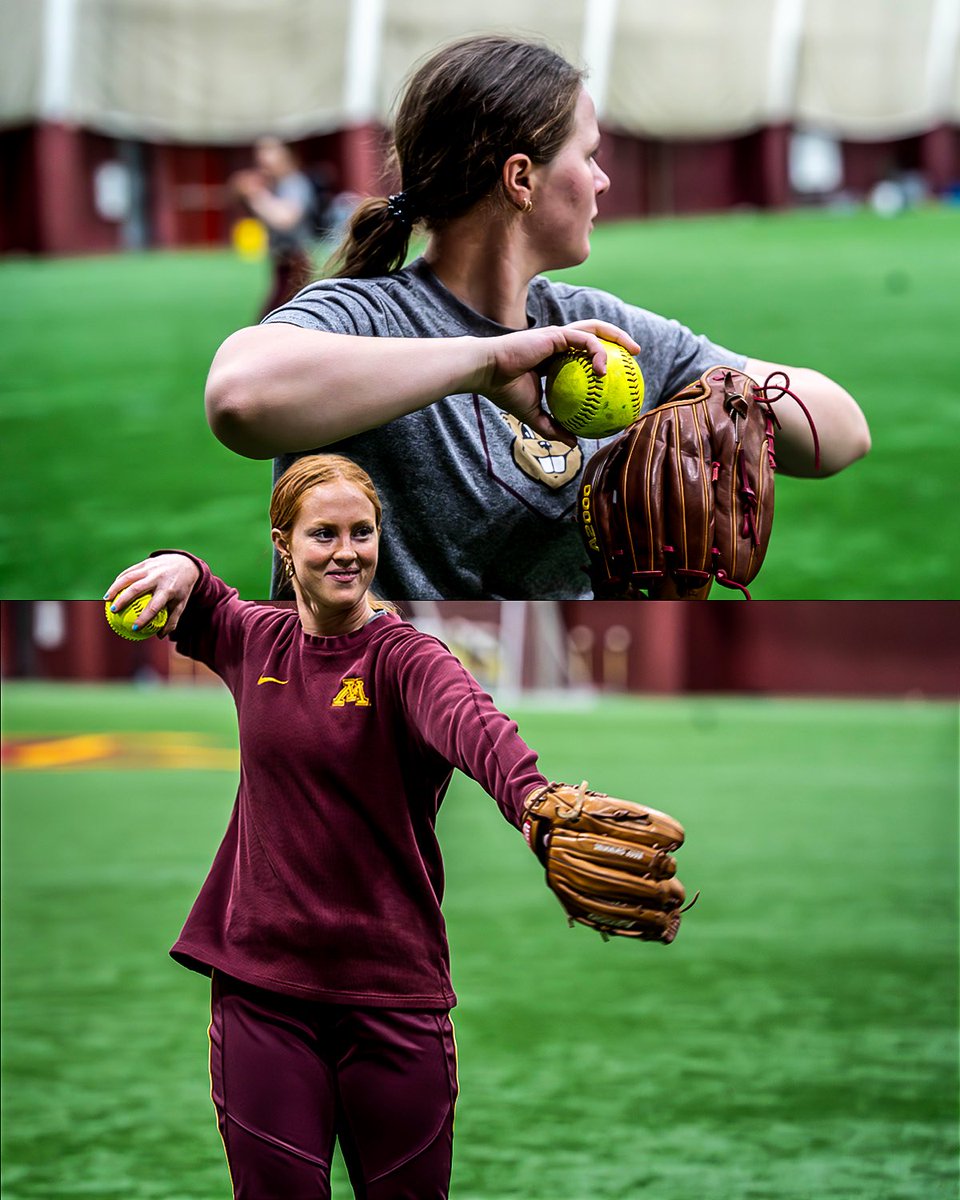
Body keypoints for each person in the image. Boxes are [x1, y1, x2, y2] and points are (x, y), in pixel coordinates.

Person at [205, 35, 871, 600]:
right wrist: (484, 363)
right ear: (521, 179)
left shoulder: (594, 328)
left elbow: (842, 432)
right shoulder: (369, 315)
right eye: (589, 156)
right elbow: (240, 399)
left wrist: (711, 416)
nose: (603, 180)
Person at [103, 453, 550, 1200]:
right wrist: (178, 561)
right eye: (323, 534)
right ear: (285, 545)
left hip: (392, 992)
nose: (347, 551)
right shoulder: (256, 641)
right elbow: (206, 596)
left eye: (362, 532)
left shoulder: (410, 659)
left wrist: (536, 802)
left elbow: (476, 727)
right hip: (263, 989)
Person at [230, 136, 318, 319]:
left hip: (296, 261)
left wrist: (256, 195)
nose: (263, 158)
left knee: (277, 316)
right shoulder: (273, 185)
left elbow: (286, 219)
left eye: (269, 151)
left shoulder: (295, 183)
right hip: (281, 261)